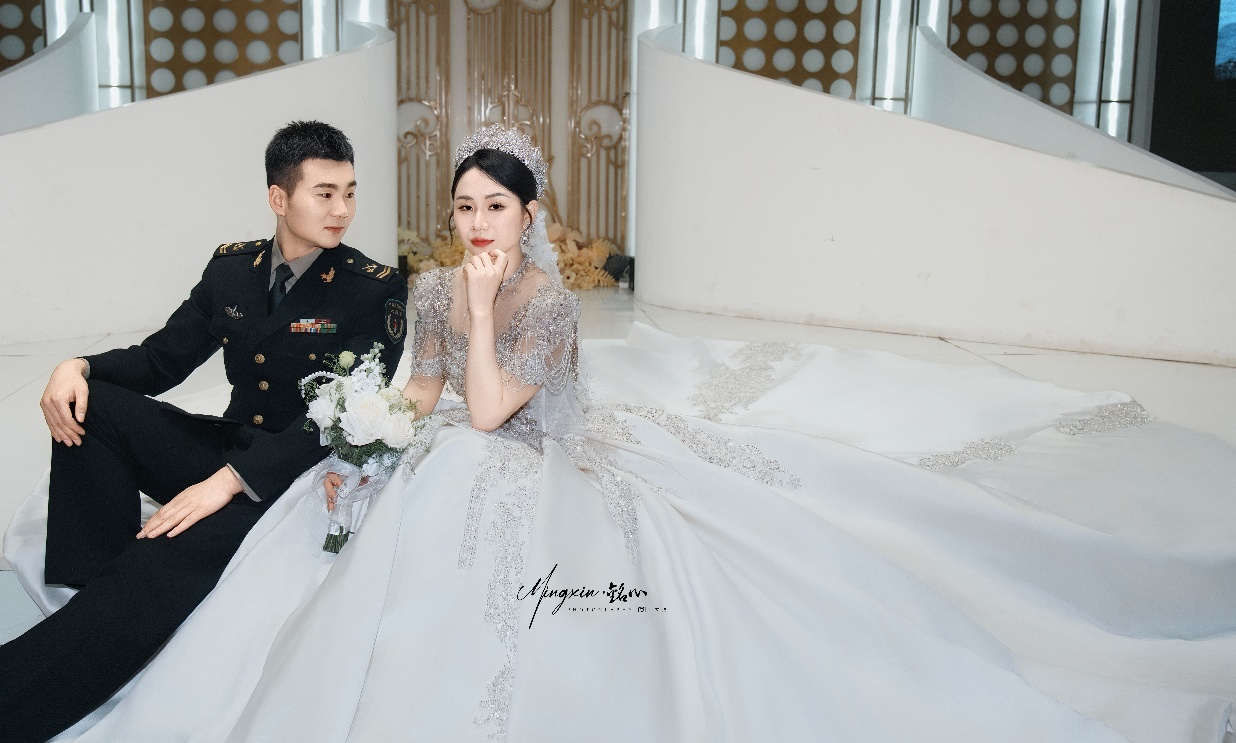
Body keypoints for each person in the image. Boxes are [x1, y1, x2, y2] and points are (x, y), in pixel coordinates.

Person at [12, 126, 1235, 742]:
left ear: (528, 214)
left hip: (528, 455)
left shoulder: (544, 301)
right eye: (463, 207)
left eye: (495, 207)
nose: (475, 223)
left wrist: (477, 313)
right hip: (438, 445)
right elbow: (427, 394)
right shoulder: (421, 289)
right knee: (364, 507)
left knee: (484, 530)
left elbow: (495, 409)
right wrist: (372, 425)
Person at [0, 120, 406, 742]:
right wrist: (75, 365)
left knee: (157, 565)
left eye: (350, 192)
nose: (343, 210)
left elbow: (341, 423)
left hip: (288, 477)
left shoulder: (370, 289)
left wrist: (229, 483)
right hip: (227, 445)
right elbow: (159, 361)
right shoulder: (232, 270)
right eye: (324, 193)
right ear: (278, 197)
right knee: (91, 401)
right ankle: (95, 582)